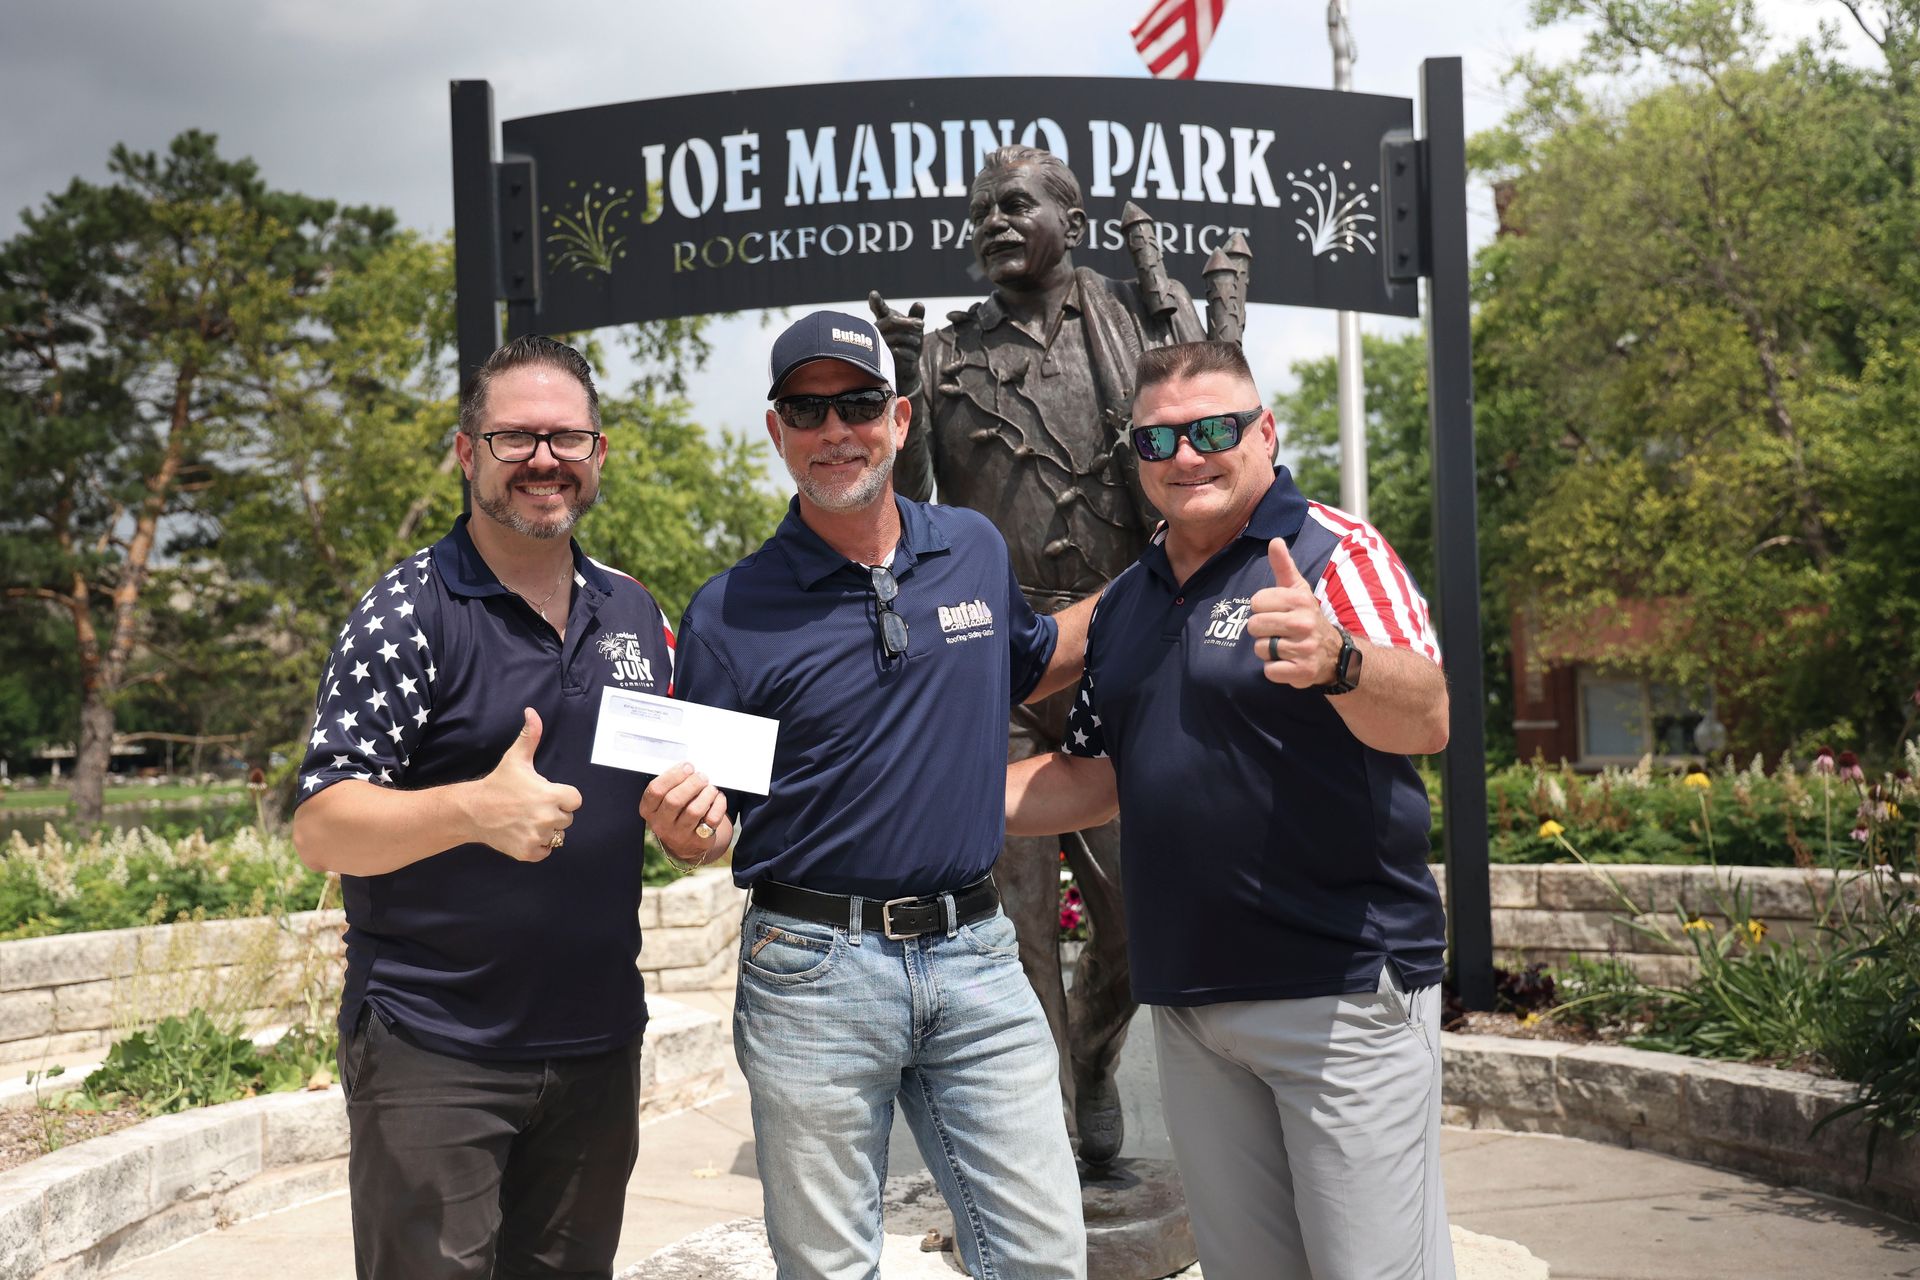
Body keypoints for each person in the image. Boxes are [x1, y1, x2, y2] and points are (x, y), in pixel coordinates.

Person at [643, 309, 1090, 1280]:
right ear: (777, 431)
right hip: (813, 972)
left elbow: (1036, 658)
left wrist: (1175, 573)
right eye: (807, 410)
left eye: (856, 403)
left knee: (1047, 1257)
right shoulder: (729, 612)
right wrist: (685, 830)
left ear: (899, 417)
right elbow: (707, 822)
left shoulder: (973, 550)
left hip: (977, 956)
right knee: (829, 1270)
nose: (834, 429)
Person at [1005, 340, 1456, 1279]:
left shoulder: (1332, 553)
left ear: (1265, 433)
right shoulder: (1130, 598)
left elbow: (1429, 716)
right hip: (1191, 1008)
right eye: (1157, 439)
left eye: (1213, 430)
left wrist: (1339, 661)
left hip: (1339, 994)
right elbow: (1095, 773)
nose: (1186, 456)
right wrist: (930, 803)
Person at [291, 335, 676, 1280]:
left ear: (598, 453)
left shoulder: (635, 613)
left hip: (597, 1046)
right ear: (469, 453)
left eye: (567, 438)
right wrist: (470, 810)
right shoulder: (408, 611)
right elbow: (321, 824)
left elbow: (670, 795)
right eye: (515, 438)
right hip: (437, 1052)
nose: (544, 459)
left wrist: (695, 829)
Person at [867, 145, 1206, 1163]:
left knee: (1140, 918)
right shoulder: (945, 353)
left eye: (1015, 205)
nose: (994, 223)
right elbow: (911, 506)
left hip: (1117, 651)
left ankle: (1093, 1059)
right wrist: (902, 391)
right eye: (981, 212)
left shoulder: (1136, 321)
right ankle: (1048, 1140)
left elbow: (1199, 449)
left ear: (1073, 221)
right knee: (1016, 925)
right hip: (998, 663)